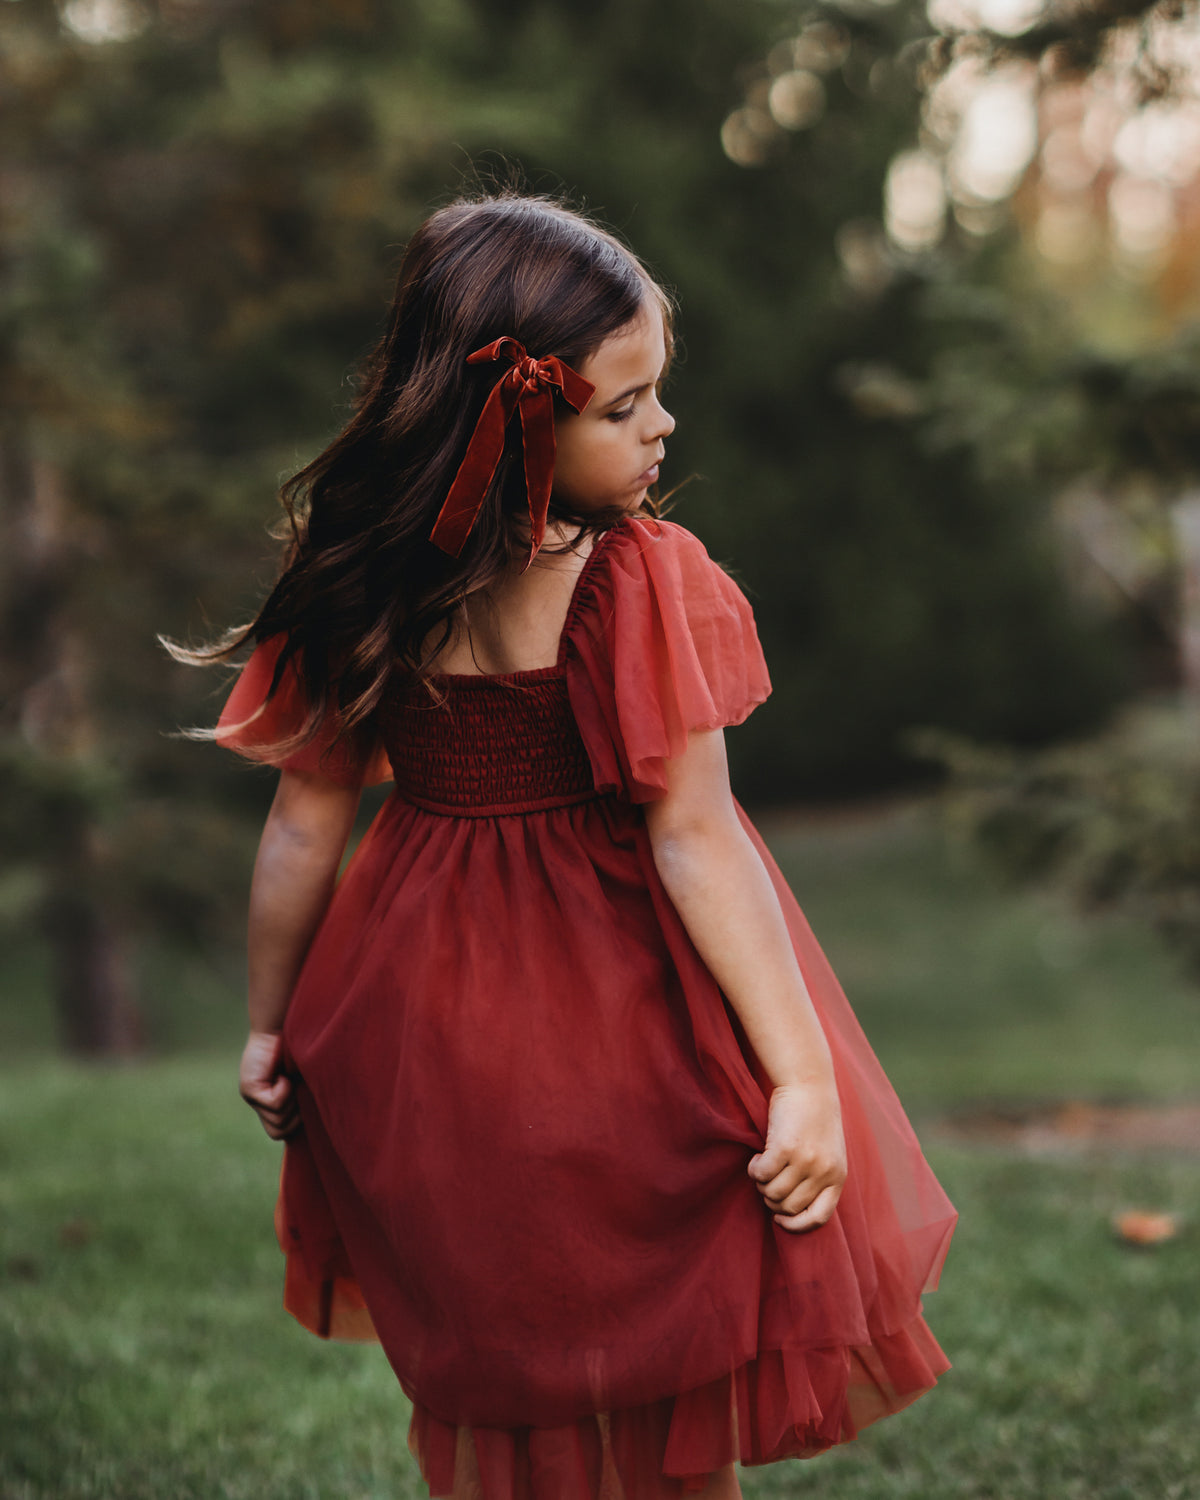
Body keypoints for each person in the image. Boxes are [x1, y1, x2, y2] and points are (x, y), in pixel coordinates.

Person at [173, 190, 957, 1500]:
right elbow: (694, 835)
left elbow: (303, 822)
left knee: (508, 1339)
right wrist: (803, 1075)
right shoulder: (638, 580)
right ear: (517, 419)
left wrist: (268, 1024)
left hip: (423, 1025)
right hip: (615, 1011)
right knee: (664, 1349)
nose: (661, 428)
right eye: (622, 406)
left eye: (657, 393)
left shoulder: (359, 579)